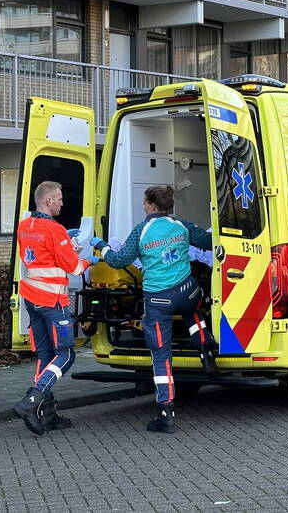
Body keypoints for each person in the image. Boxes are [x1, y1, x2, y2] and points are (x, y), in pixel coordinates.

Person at [94, 185, 215, 434]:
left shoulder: (141, 231)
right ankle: (205, 350)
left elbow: (118, 260)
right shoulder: (181, 225)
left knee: (161, 356)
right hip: (188, 292)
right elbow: (208, 241)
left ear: (149, 205)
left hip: (159, 301)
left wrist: (101, 245)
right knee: (194, 310)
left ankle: (165, 413)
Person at [11, 181, 99, 435]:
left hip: (32, 299)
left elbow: (40, 256)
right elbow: (74, 268)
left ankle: (46, 414)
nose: (62, 202)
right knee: (66, 354)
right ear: (48, 201)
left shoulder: (25, 225)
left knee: (46, 355)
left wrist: (66, 245)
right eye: (59, 199)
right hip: (53, 301)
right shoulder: (55, 230)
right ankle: (32, 400)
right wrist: (92, 258)